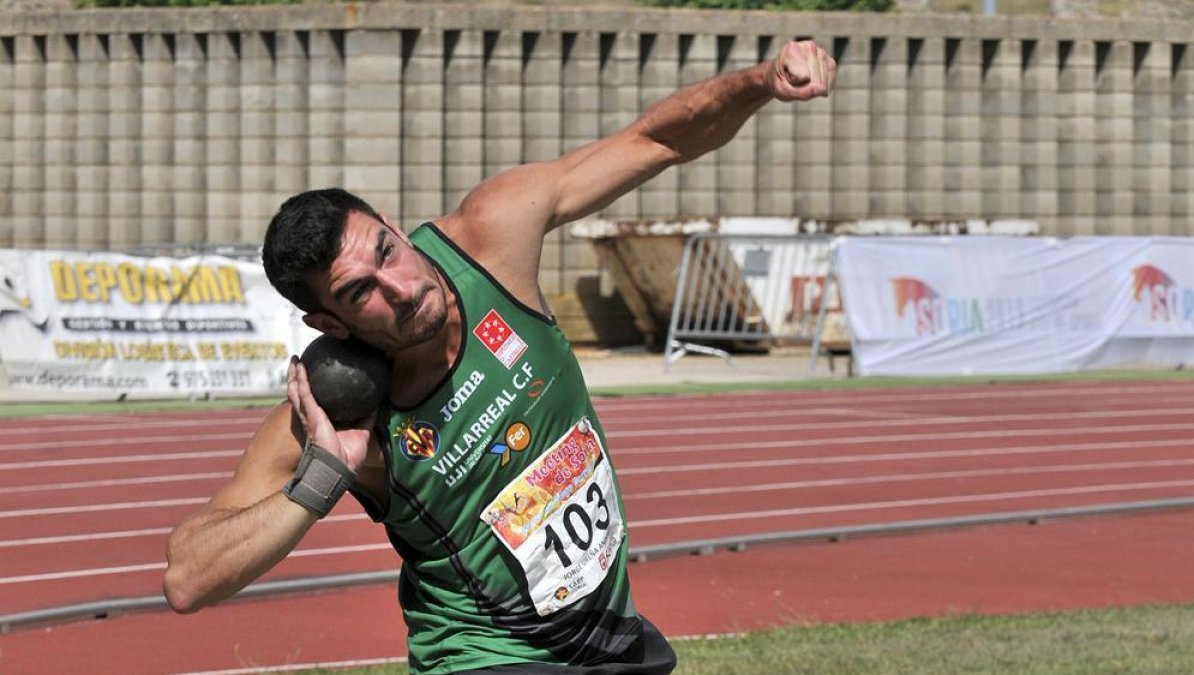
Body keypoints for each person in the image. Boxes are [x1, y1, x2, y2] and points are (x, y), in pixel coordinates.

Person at [163, 39, 836, 674]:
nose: (398, 288)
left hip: (604, 627)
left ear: (395, 224)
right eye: (359, 291)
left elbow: (655, 140)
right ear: (325, 321)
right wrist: (322, 474)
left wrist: (759, 82)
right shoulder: (336, 409)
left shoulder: (491, 241)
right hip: (483, 651)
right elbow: (187, 578)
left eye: (386, 251)